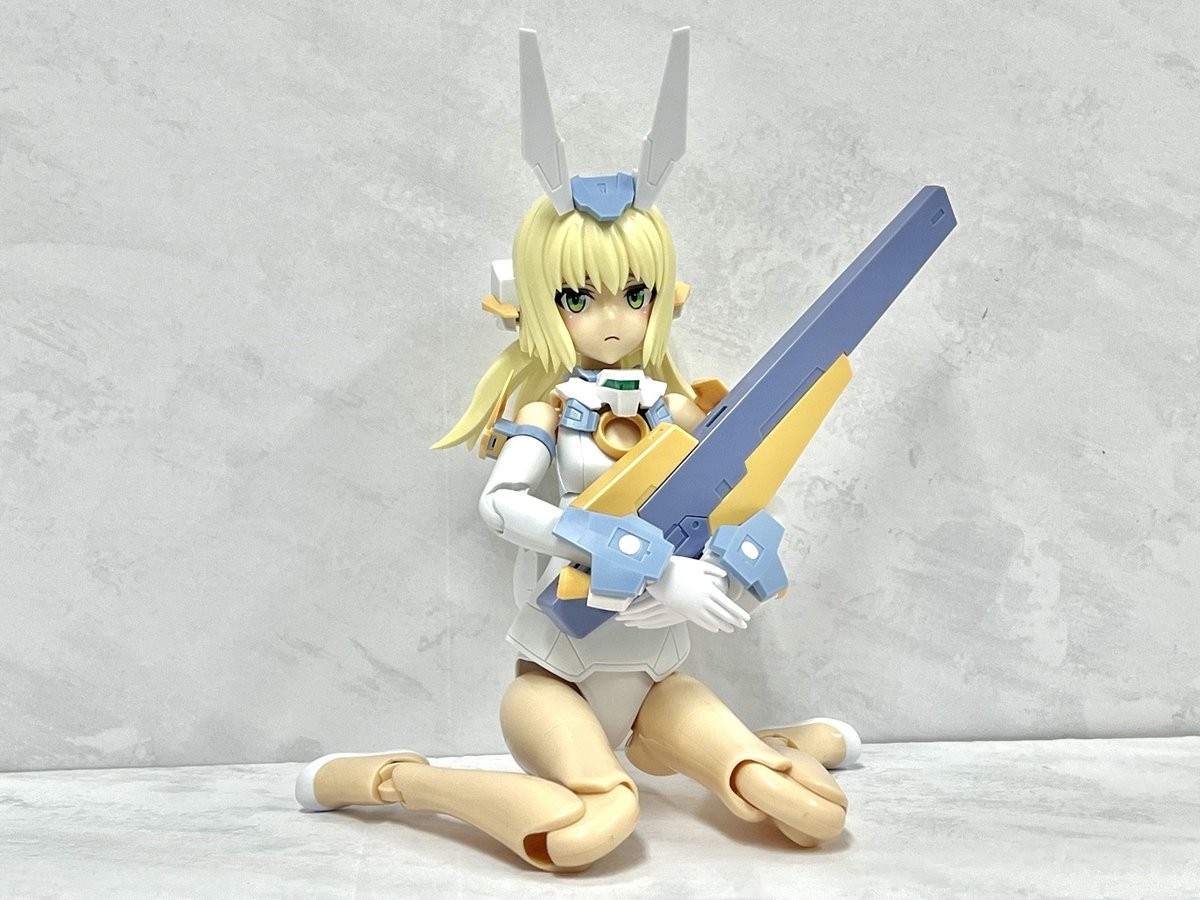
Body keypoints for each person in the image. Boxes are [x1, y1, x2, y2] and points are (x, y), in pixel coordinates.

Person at [294, 28, 860, 873]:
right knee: (590, 827)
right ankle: (396, 781)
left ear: (662, 296)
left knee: (810, 813)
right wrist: (648, 567)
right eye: (578, 296)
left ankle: (766, 747)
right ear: (540, 300)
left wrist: (724, 570)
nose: (611, 318)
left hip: (658, 683)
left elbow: (739, 506)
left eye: (634, 293)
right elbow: (502, 505)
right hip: (556, 675)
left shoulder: (681, 411)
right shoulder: (549, 408)